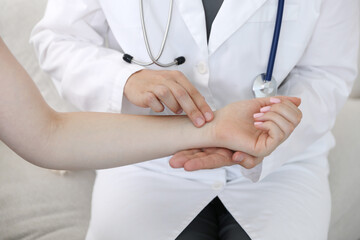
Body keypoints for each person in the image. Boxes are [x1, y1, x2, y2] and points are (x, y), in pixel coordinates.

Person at [30, 0, 359, 239]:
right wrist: (125, 79)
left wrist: (280, 128)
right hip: (147, 155)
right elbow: (57, 40)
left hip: (279, 162)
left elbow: (327, 72)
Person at [0, 37, 300, 171]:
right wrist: (125, 78)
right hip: (143, 173)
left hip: (275, 172)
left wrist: (214, 129)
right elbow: (58, 41)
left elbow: (48, 136)